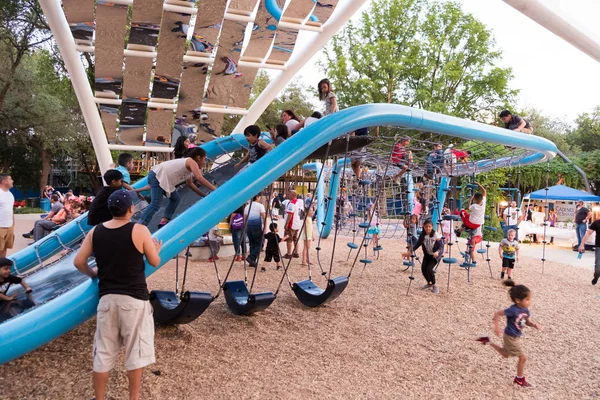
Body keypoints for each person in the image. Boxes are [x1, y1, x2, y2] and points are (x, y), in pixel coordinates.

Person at [73, 190, 162, 400]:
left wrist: (93, 273)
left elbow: (78, 262)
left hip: (107, 299)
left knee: (103, 352)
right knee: (136, 352)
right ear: (131, 209)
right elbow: (154, 262)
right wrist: (156, 249)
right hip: (134, 299)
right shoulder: (139, 230)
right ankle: (133, 397)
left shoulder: (96, 232)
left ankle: (100, 398)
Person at [476, 281, 542, 388]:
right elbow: (497, 313)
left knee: (505, 354)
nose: (530, 302)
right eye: (527, 299)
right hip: (510, 336)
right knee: (523, 358)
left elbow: (527, 321)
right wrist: (496, 327)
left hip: (516, 336)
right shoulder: (513, 310)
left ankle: (487, 341)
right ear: (517, 300)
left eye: (530, 299)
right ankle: (519, 380)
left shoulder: (526, 310)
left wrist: (534, 324)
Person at [140, 147, 217, 228]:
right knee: (155, 203)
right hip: (158, 176)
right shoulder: (191, 162)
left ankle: (164, 221)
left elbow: (190, 184)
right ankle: (140, 224)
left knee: (175, 199)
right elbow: (199, 178)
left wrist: (203, 195)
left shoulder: (188, 169)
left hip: (165, 179)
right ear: (198, 158)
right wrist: (215, 189)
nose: (205, 162)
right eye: (204, 159)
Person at [402, 219, 442, 294]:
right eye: (426, 227)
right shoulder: (422, 235)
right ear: (423, 227)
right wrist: (410, 251)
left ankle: (434, 285)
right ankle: (429, 283)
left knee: (429, 269)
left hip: (434, 255)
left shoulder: (435, 235)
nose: (428, 228)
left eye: (429, 227)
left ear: (432, 227)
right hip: (427, 254)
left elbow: (441, 246)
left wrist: (437, 252)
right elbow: (418, 244)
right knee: (423, 269)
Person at [458, 182, 487, 260]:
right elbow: (484, 191)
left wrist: (470, 199)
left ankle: (461, 229)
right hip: (478, 224)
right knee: (467, 217)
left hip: (471, 223)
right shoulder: (484, 203)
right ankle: (462, 229)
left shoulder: (474, 206)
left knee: (462, 211)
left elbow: (468, 207)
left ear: (474, 199)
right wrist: (478, 184)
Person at [244, 194, 266, 268]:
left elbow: (245, 219)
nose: (260, 198)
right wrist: (265, 227)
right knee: (260, 243)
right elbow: (264, 217)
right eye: (259, 197)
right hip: (256, 227)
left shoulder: (247, 206)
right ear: (257, 197)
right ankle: (251, 257)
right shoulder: (260, 206)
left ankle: (252, 261)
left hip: (248, 227)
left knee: (252, 243)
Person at [579, 217, 600, 285]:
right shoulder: (596, 223)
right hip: (599, 247)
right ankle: (596, 276)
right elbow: (588, 233)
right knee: (598, 268)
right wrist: (582, 244)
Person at [283, 190, 304, 259]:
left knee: (289, 238)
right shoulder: (299, 202)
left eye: (289, 194)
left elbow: (290, 214)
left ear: (293, 195)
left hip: (291, 224)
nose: (288, 195)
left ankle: (288, 254)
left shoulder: (292, 203)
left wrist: (286, 223)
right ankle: (296, 253)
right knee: (295, 238)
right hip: (297, 223)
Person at [0, 174, 14, 258]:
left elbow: (11, 211)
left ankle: (2, 267)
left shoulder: (10, 195)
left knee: (5, 248)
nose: (12, 181)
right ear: (4, 181)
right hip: (0, 227)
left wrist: (13, 225)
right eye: (10, 179)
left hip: (9, 227)